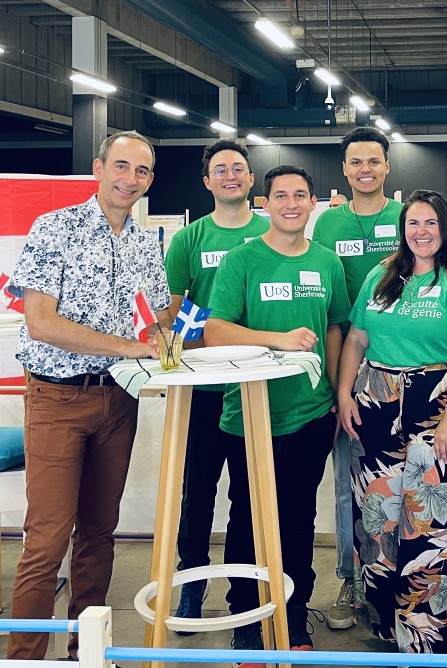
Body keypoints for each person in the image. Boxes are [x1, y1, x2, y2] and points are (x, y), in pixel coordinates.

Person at [7, 131, 170, 660]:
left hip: (118, 402)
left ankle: (87, 649)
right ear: (99, 168)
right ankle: (25, 655)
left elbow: (158, 316)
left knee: (100, 533)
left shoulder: (147, 242)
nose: (130, 179)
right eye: (121, 166)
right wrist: (130, 347)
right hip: (57, 399)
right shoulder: (55, 227)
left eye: (142, 171)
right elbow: (41, 323)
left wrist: (177, 328)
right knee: (47, 539)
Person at [338, 189, 447, 655]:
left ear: (445, 228)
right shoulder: (381, 275)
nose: (421, 232)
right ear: (402, 228)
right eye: (413, 223)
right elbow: (356, 340)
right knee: (378, 521)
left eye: (431, 223)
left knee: (434, 526)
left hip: (441, 406)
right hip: (376, 404)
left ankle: (432, 641)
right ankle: (387, 630)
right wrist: (345, 394)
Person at [205, 165, 351, 658]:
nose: (292, 203)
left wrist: (334, 392)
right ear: (265, 203)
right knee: (247, 518)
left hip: (310, 414)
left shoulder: (327, 263)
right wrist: (279, 341)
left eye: (301, 195)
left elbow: (335, 328)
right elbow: (216, 330)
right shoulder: (242, 260)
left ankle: (292, 613)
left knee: (297, 517)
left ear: (314, 205)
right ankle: (245, 615)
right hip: (249, 414)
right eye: (281, 195)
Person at [163, 139, 270, 630]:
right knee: (197, 492)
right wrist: (200, 343)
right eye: (220, 169)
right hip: (202, 389)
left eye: (239, 169)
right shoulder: (191, 239)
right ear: (207, 181)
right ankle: (191, 584)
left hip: (253, 388)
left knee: (248, 496)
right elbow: (174, 309)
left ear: (251, 179)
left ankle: (243, 594)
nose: (231, 176)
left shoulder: (270, 233)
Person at [311, 127, 401, 629]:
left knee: (394, 484)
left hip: (402, 368)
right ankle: (352, 578)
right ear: (344, 170)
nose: (365, 169)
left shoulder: (405, 218)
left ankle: (400, 574)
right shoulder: (326, 225)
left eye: (374, 161)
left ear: (387, 167)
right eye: (356, 162)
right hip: (345, 361)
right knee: (347, 480)